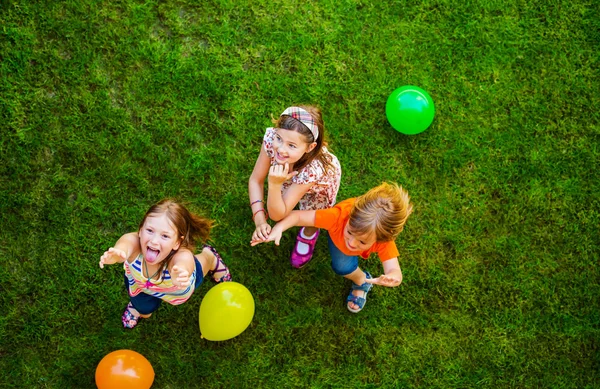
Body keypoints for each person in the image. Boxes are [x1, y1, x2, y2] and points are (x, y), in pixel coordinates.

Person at [251, 182, 412, 313]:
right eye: (350, 231)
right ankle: (361, 279)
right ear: (350, 217)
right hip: (336, 238)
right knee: (341, 266)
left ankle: (361, 281)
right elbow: (298, 216)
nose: (352, 243)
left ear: (383, 239)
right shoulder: (337, 217)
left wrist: (393, 278)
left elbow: (395, 271)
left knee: (342, 267)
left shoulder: (384, 241)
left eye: (362, 242)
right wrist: (278, 228)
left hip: (341, 239)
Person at [99, 199, 232, 328]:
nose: (154, 241)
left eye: (165, 236)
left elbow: (184, 261)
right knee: (144, 309)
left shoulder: (180, 255)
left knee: (202, 265)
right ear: (140, 229)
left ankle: (210, 257)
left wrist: (181, 270)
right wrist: (118, 253)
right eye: (149, 231)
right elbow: (126, 243)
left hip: (178, 285)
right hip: (141, 287)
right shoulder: (136, 244)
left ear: (177, 243)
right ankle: (139, 309)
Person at [248, 105, 342, 269]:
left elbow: (278, 215)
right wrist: (260, 220)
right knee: (281, 198)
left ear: (310, 147)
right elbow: (255, 180)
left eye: (292, 145)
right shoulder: (272, 140)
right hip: (292, 177)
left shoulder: (314, 169)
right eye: (279, 139)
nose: (281, 149)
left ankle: (309, 234)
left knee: (313, 214)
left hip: (318, 187)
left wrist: (274, 185)